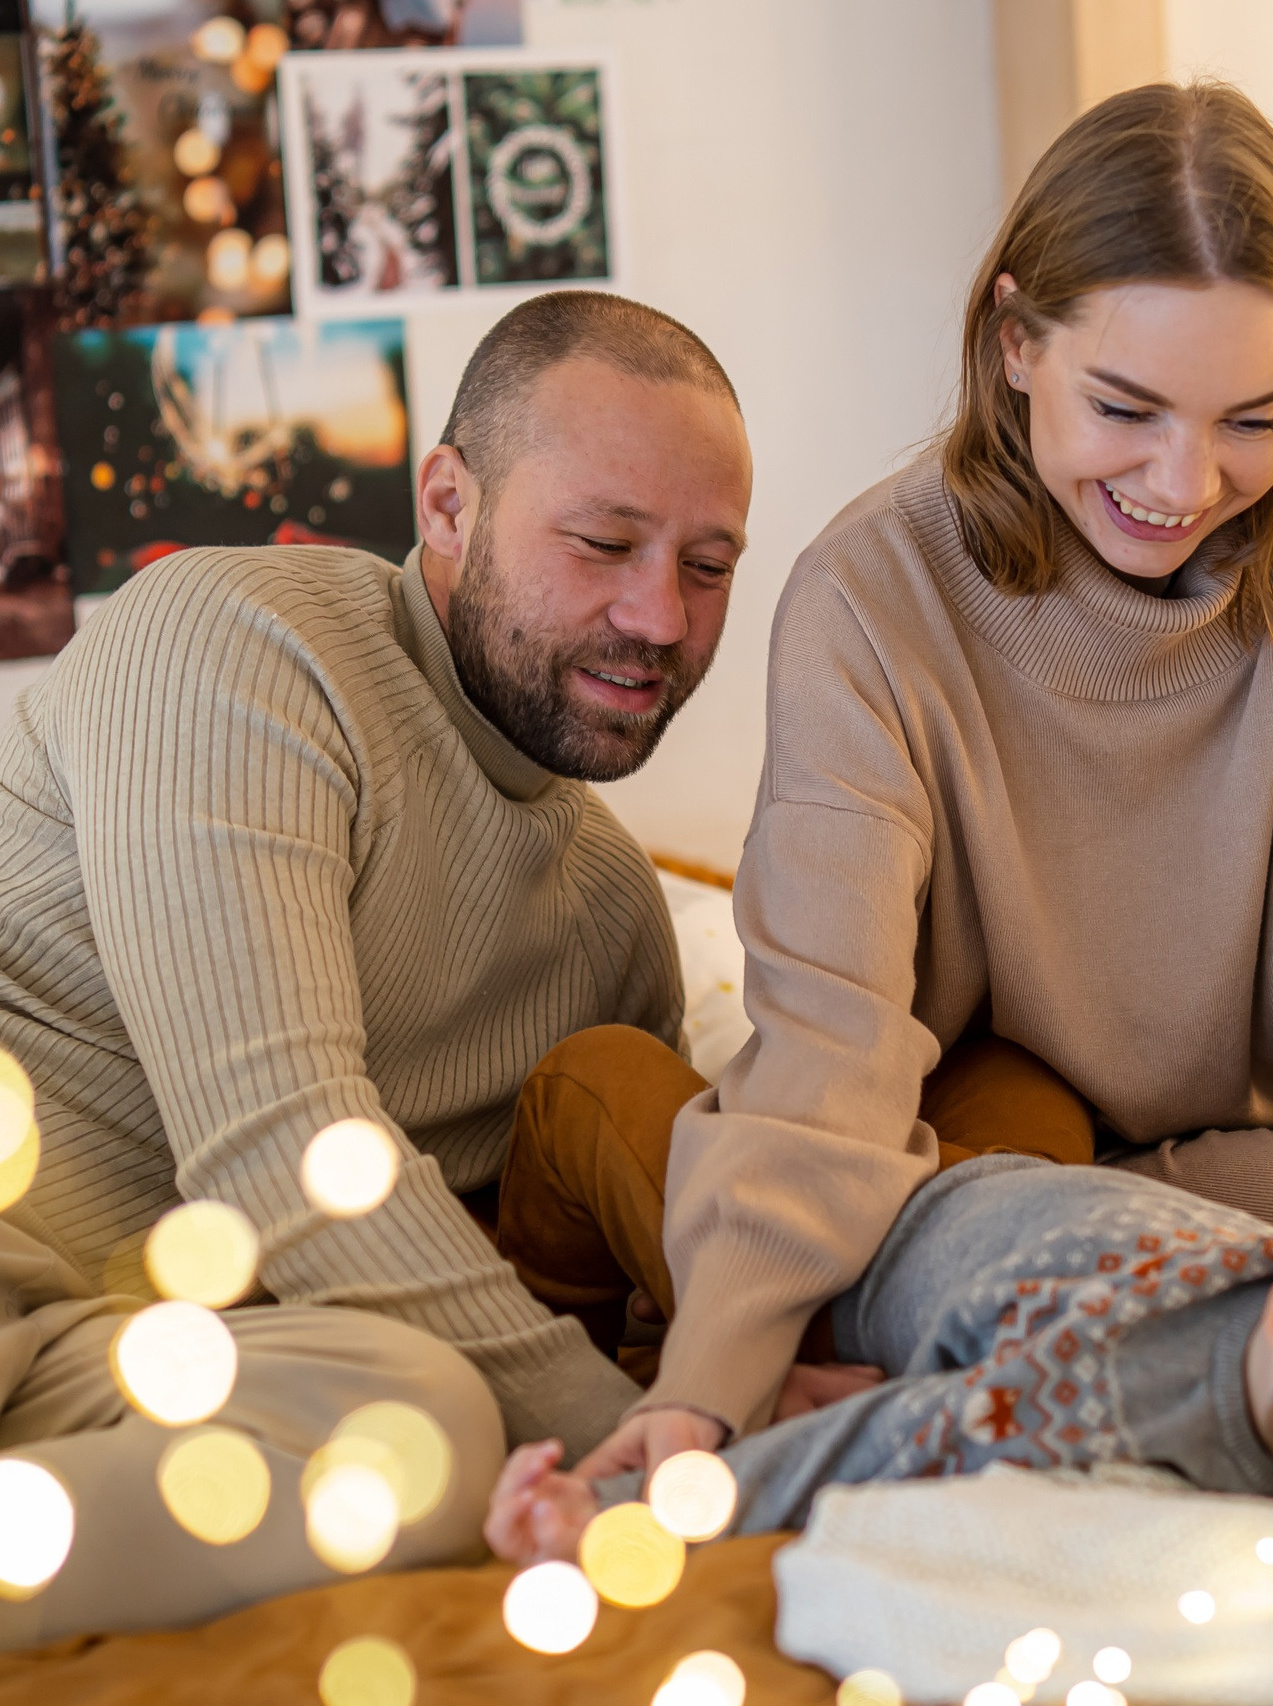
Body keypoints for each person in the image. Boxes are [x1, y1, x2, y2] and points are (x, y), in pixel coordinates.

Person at [495, 82, 1273, 1491]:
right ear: (1013, 340)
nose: (1183, 479)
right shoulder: (870, 599)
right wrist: (704, 1393)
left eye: (1250, 419)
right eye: (1122, 407)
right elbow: (828, 1044)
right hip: (1032, 1124)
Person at [0, 289, 752, 1643]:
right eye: (604, 542)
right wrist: (662, 1451)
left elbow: (517, 1275)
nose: (657, 616)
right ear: (449, 503)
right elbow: (280, 1141)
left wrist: (698, 1390)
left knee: (421, 1429)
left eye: (707, 567)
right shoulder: (236, 641)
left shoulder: (614, 918)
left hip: (111, 1362)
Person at [484, 1159, 1273, 1558]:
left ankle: (659, 1329)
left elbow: (874, 1448)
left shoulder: (1075, 1406)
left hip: (857, 1239)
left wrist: (613, 1511)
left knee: (600, 1088)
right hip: (1011, 1174)